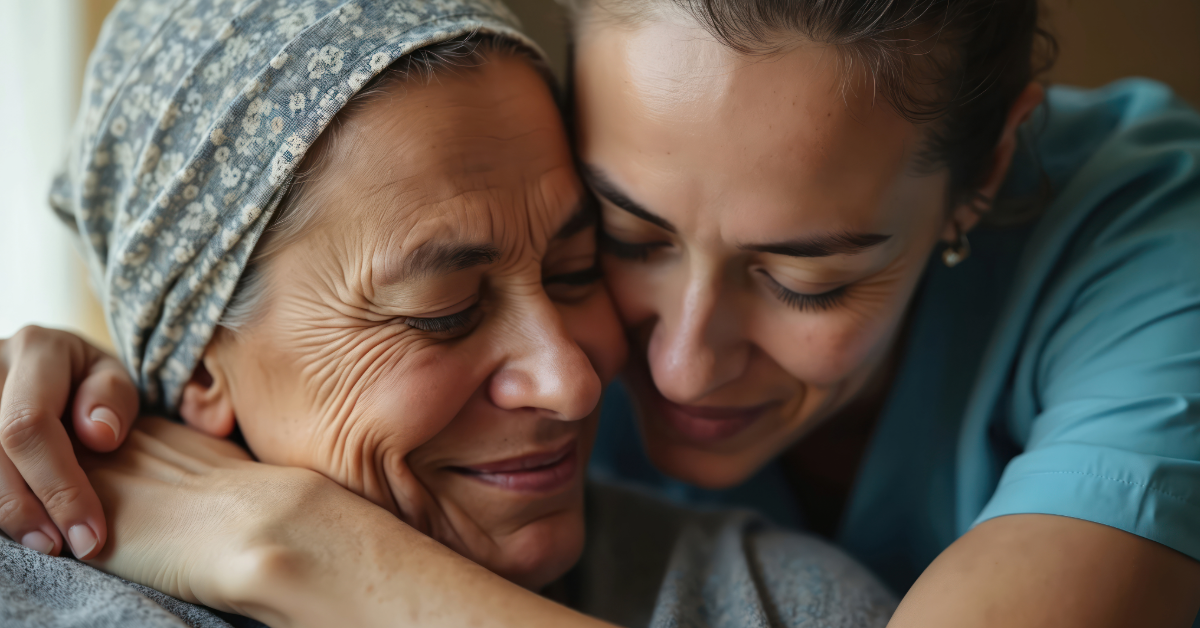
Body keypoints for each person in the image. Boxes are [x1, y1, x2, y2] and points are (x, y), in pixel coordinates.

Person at [6, 0, 1200, 625]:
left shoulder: (1156, 261)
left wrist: (291, 540)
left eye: (808, 277)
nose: (652, 367)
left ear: (988, 168)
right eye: (624, 241)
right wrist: (101, 393)